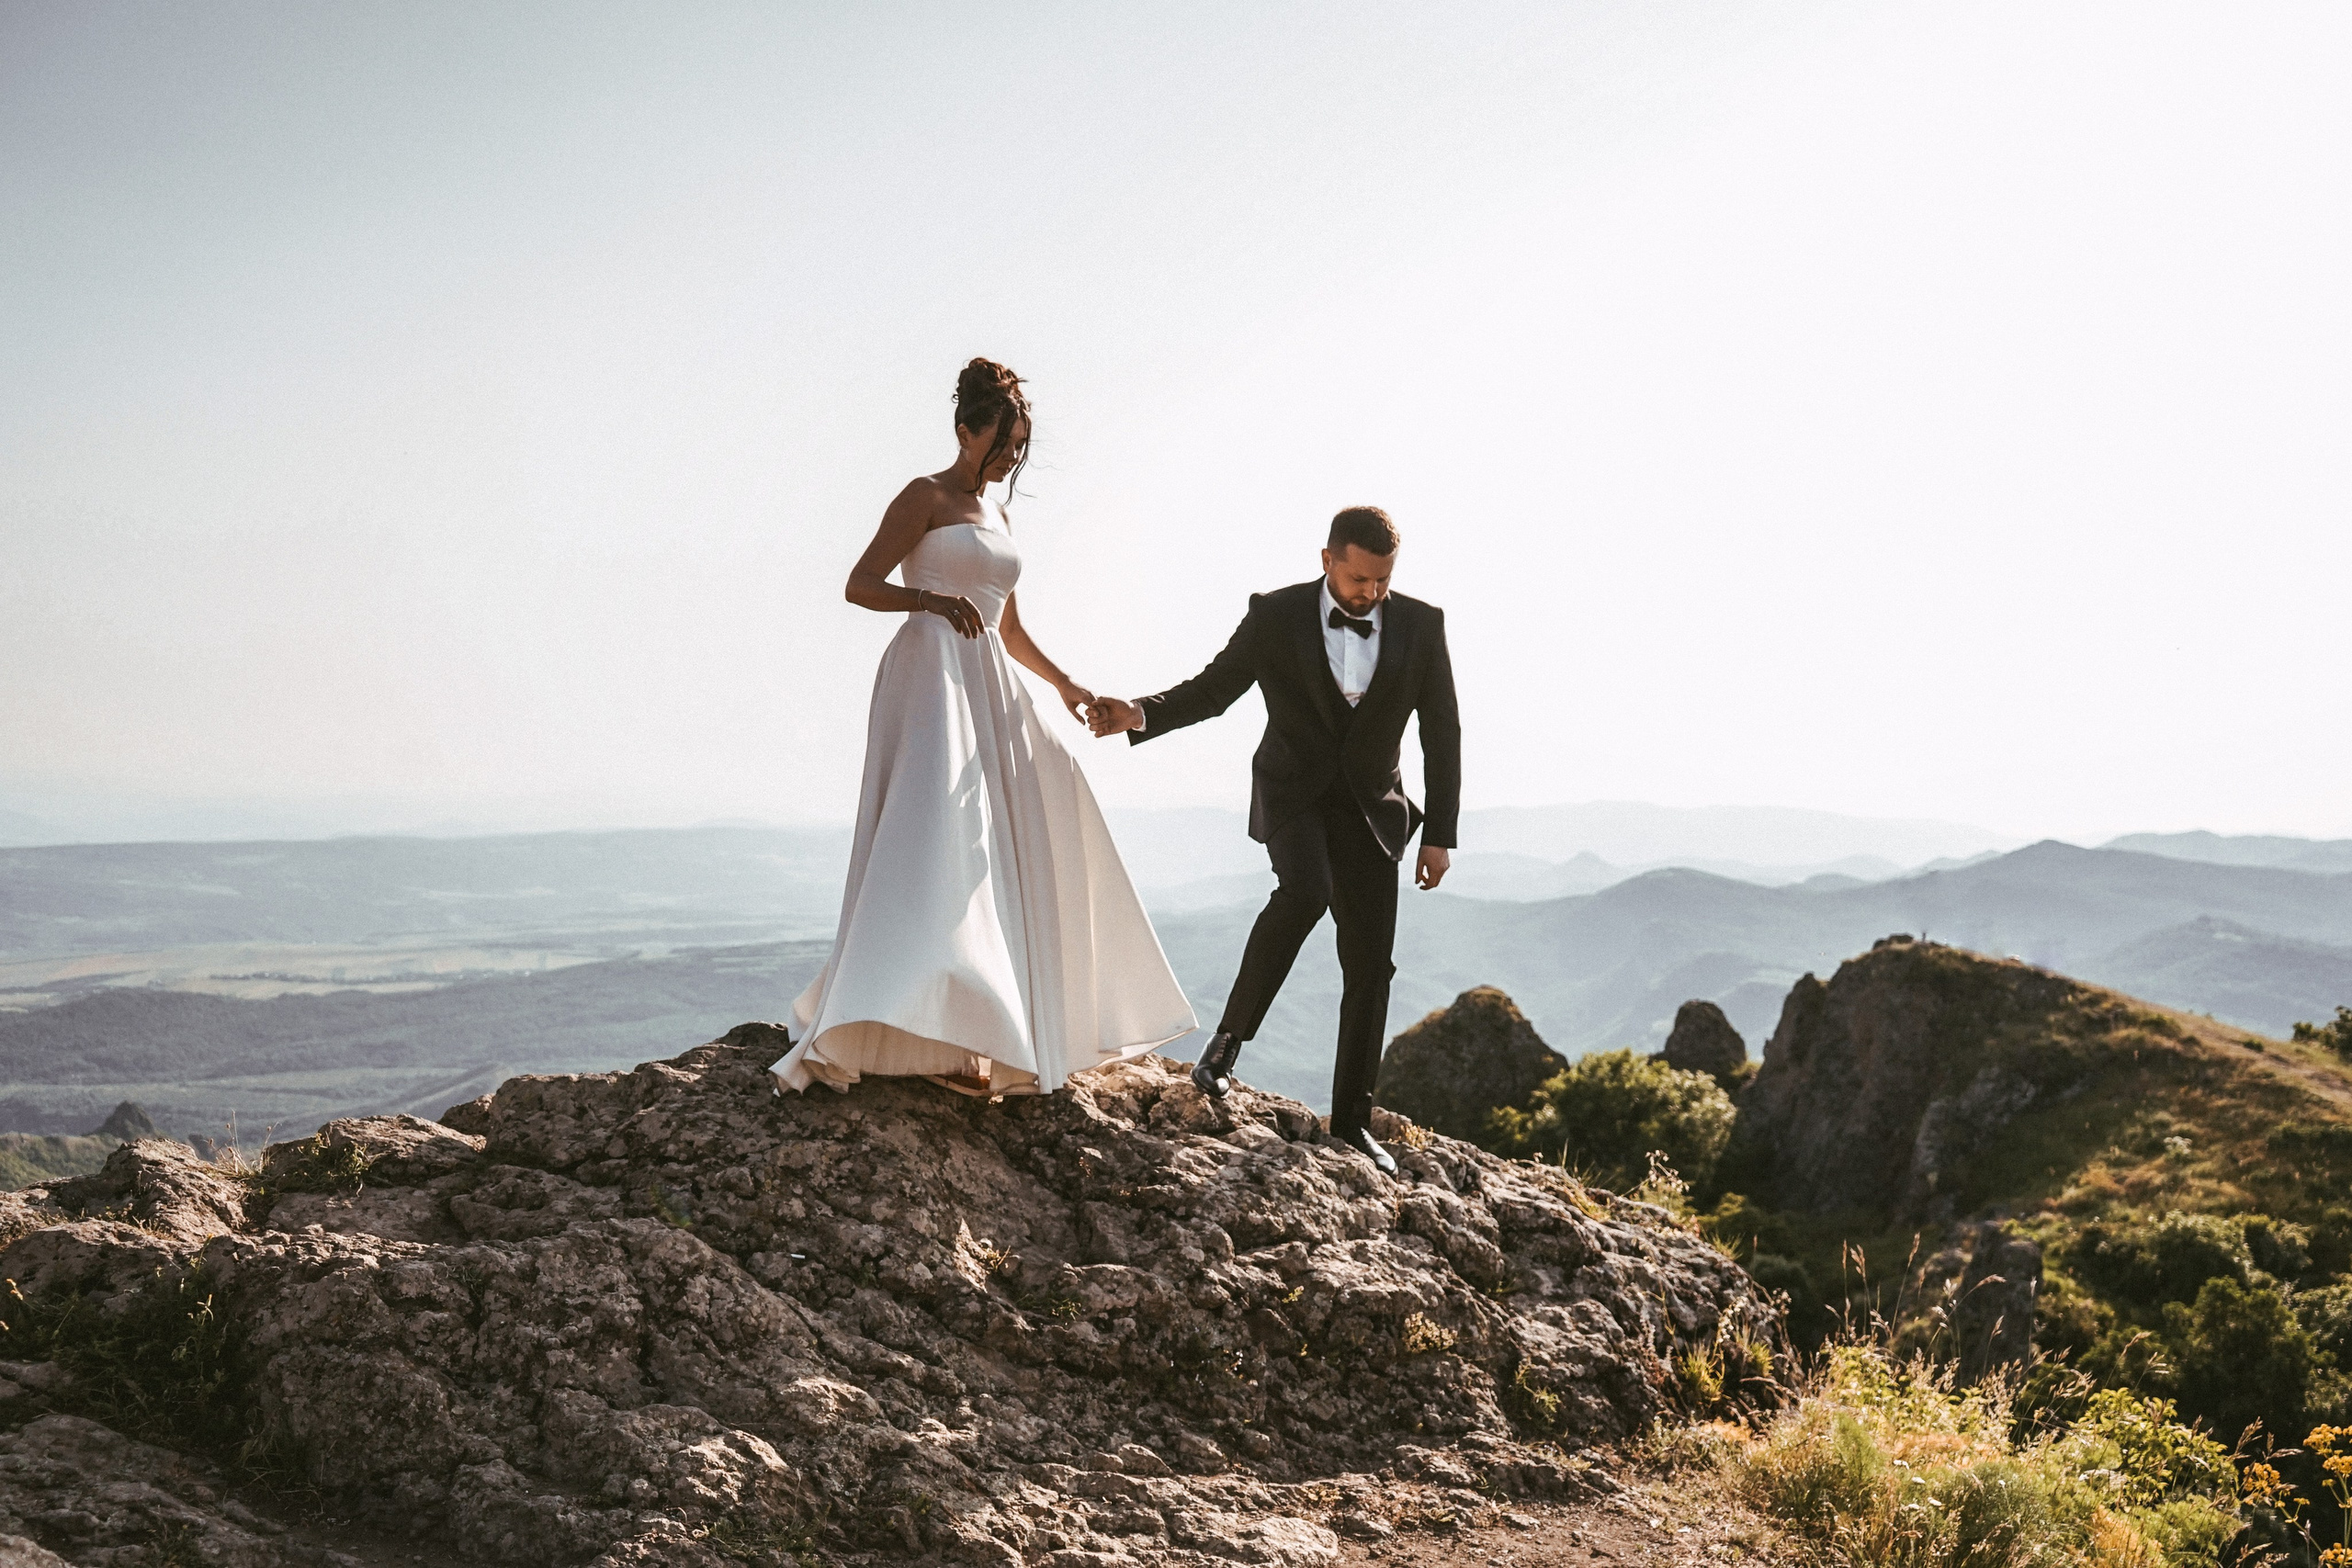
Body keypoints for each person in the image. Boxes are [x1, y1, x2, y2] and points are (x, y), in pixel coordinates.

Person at [774, 359, 1196, 1098]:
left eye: (1020, 447)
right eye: (1001, 444)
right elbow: (860, 582)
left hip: (990, 679)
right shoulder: (923, 496)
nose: (1010, 460)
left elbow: (1009, 622)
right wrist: (928, 603)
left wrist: (1066, 683)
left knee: (1008, 836)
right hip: (930, 677)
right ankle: (930, 1025)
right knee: (930, 841)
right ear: (964, 430)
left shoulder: (1002, 514)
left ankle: (1000, 1032)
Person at [1087, 506, 1460, 1175]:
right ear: (1326, 560)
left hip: (1374, 810)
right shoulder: (1276, 615)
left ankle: (1351, 1123)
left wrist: (1442, 835)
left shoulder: (1422, 626)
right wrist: (1139, 712)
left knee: (1372, 967)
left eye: (1382, 581)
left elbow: (1443, 730)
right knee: (1306, 890)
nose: (1370, 593)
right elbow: (1215, 688)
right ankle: (1225, 1045)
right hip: (1294, 794)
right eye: (1358, 579)